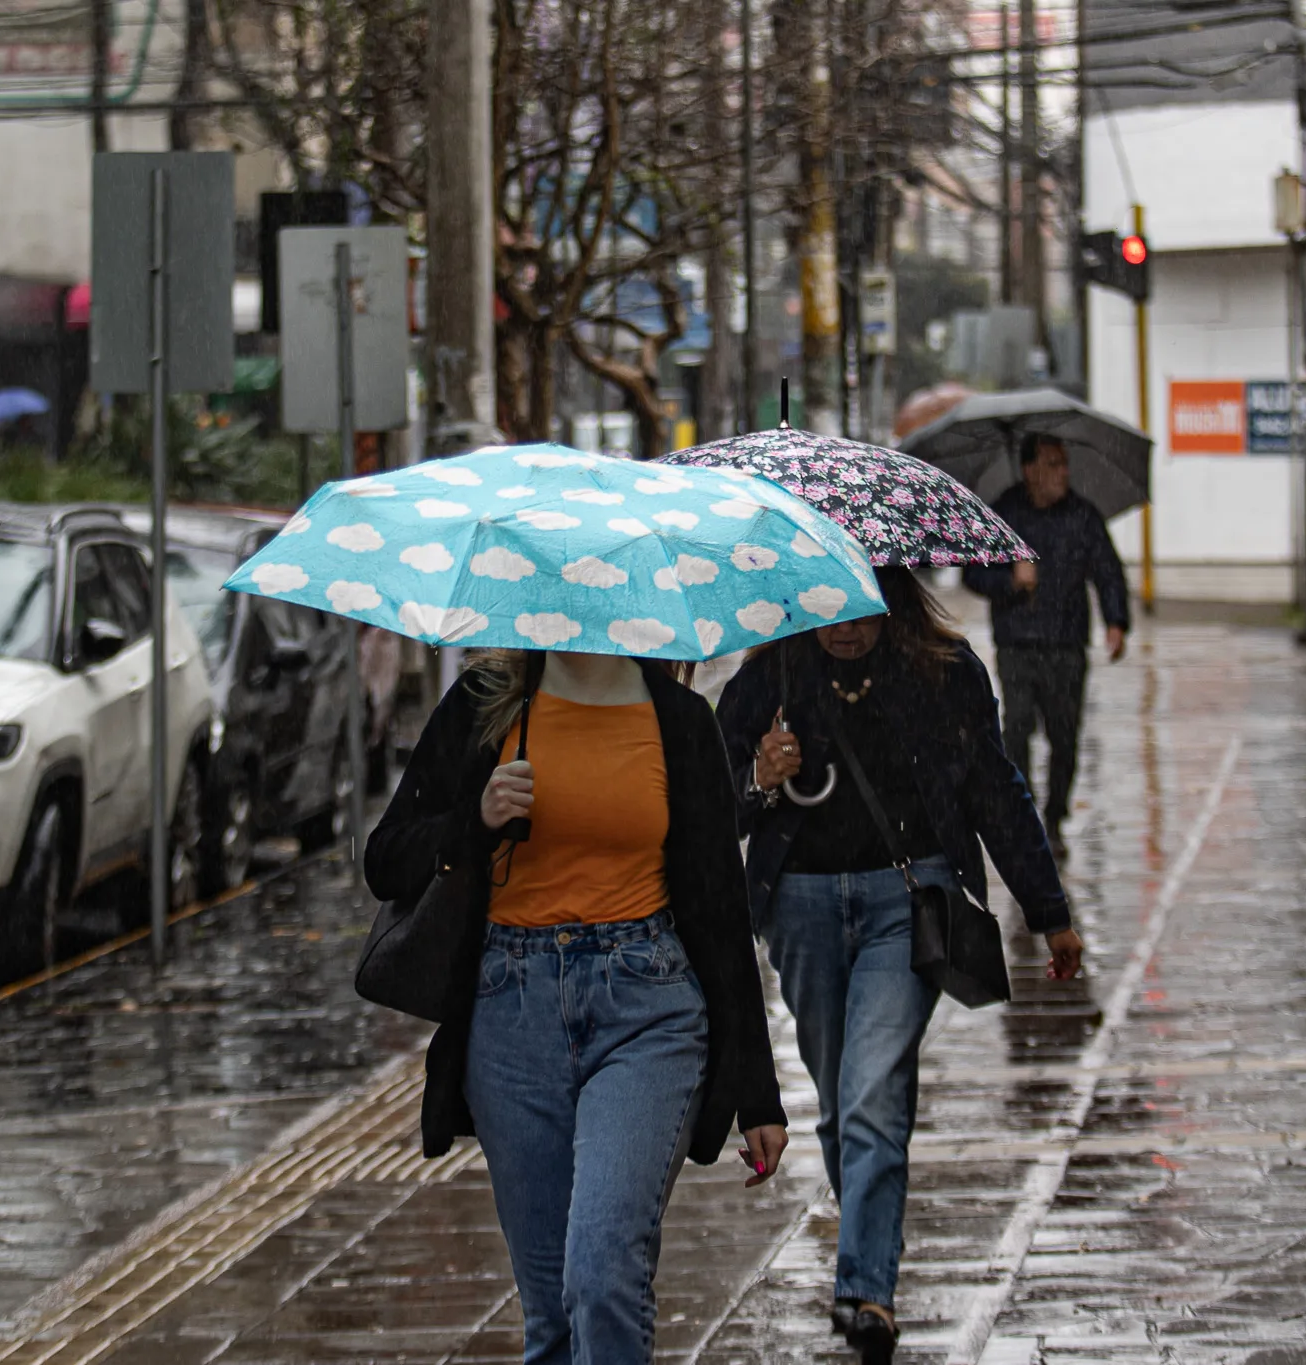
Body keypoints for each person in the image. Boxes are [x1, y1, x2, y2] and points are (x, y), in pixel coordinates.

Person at [366, 648, 788, 1365]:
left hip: (648, 1006)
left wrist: (758, 1093)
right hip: (510, 1012)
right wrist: (475, 817)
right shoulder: (485, 703)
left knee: (600, 1274)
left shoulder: (680, 720)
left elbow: (721, 908)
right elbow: (385, 860)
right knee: (553, 1316)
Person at [718, 568, 1082, 1364]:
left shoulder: (944, 674)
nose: (844, 629)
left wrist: (1048, 908)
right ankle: (868, 1248)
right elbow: (709, 812)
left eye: (859, 610)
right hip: (802, 907)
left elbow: (994, 786)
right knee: (840, 1092)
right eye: (827, 610)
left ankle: (866, 1288)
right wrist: (758, 777)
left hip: (907, 902)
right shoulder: (766, 681)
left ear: (890, 596)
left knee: (873, 1091)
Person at [962, 434, 1131, 859]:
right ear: (1031, 469)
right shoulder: (1003, 514)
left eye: (1064, 463)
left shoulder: (1082, 516)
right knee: (1016, 728)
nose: (1063, 473)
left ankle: (1055, 816)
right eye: (1054, 464)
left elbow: (1107, 571)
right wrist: (1010, 581)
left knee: (1064, 735)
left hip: (1066, 645)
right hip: (1017, 643)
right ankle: (1026, 815)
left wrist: (1116, 621)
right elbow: (972, 575)